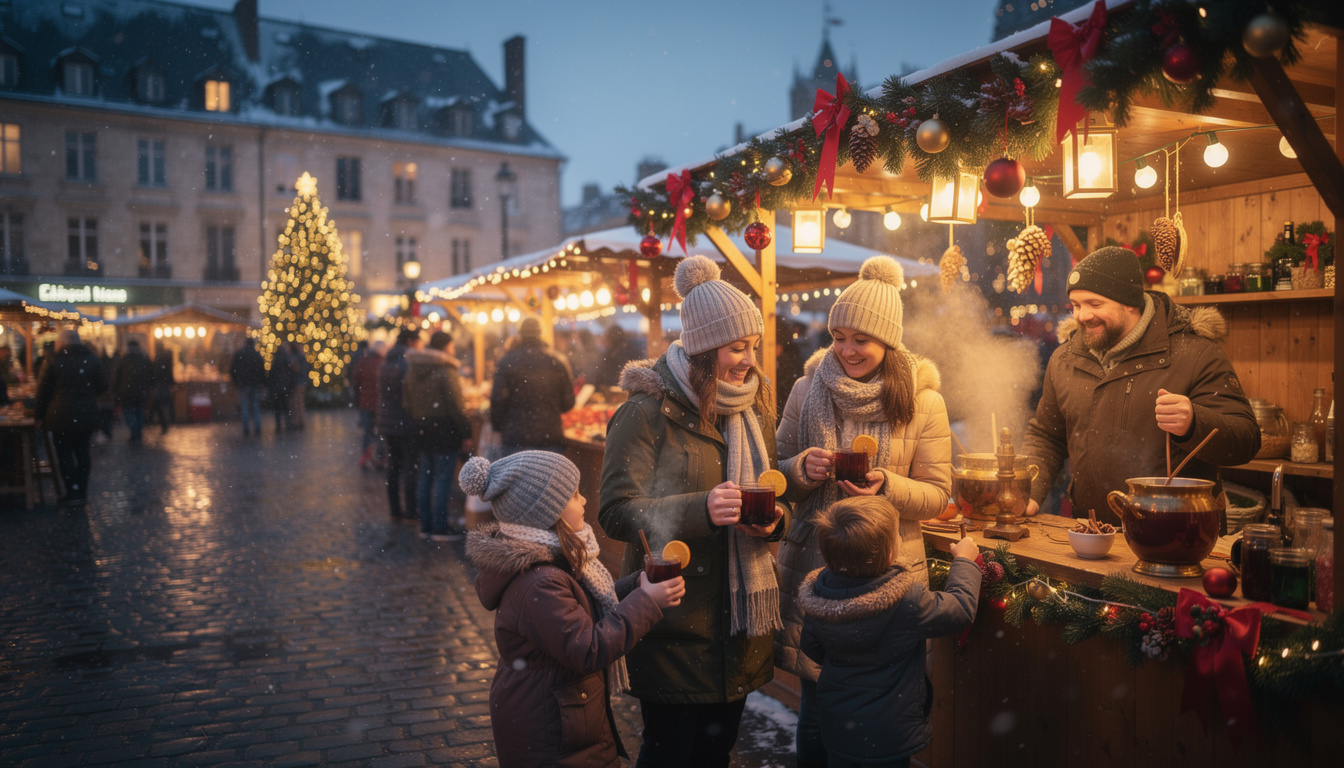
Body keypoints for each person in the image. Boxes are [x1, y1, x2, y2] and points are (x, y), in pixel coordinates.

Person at [599, 255, 789, 768]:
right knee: (669, 755)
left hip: (739, 626)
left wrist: (776, 520)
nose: (748, 359)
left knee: (715, 753)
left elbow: (776, 489)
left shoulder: (754, 405)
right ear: (703, 350)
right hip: (675, 625)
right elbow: (616, 513)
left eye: (752, 346)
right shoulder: (644, 412)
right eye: (735, 348)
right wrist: (699, 509)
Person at [773, 256, 952, 767]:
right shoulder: (807, 390)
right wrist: (801, 468)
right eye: (839, 337)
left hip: (889, 577)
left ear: (888, 342)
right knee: (814, 709)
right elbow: (775, 476)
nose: (848, 350)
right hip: (818, 571)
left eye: (862, 340)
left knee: (885, 710)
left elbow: (938, 493)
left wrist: (887, 487)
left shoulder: (923, 402)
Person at [463, 450, 684, 768]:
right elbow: (588, 649)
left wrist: (637, 586)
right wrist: (646, 602)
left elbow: (584, 604)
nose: (583, 501)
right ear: (546, 513)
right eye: (574, 495)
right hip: (551, 729)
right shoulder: (540, 581)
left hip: (557, 713)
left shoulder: (548, 560)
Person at [1021, 246, 1260, 524]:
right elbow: (1046, 436)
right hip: (1092, 532)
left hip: (1176, 536)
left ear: (1130, 302)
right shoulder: (1065, 358)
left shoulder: (1195, 354)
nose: (1082, 316)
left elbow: (1246, 439)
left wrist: (1195, 423)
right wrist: (1029, 490)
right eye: (1076, 305)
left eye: (1095, 304)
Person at [799, 496, 981, 768]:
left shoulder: (820, 596)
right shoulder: (907, 602)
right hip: (889, 732)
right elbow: (961, 608)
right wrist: (965, 561)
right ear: (889, 553)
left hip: (839, 726)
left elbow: (812, 647)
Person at [405, 330, 472, 540]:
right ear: (445, 347)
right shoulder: (446, 370)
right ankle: (440, 527)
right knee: (443, 479)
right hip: (444, 429)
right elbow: (456, 407)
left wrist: (420, 418)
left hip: (422, 428)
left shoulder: (413, 370)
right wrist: (466, 432)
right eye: (451, 345)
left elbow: (406, 402)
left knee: (426, 476)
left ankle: (426, 525)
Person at [35, 329, 108, 505]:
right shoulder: (91, 359)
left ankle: (71, 491)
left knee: (64, 454)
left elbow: (43, 391)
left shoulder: (53, 360)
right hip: (85, 415)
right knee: (83, 453)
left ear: (60, 343)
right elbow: (103, 386)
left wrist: (39, 415)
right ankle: (81, 491)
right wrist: (87, 395)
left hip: (60, 416)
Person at [489, 316, 575, 455]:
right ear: (542, 334)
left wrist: (497, 427)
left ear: (520, 334)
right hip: (550, 437)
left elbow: (497, 399)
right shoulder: (557, 360)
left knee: (517, 477)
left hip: (515, 438)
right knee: (548, 477)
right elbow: (569, 402)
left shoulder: (507, 361)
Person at [377, 328, 422, 522]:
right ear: (411, 342)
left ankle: (395, 511)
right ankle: (411, 512)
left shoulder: (387, 362)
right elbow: (412, 396)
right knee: (411, 467)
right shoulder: (408, 364)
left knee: (394, 466)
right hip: (405, 422)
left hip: (388, 422)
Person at [351, 340, 385, 468]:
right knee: (380, 432)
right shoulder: (382, 363)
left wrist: (358, 397)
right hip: (379, 404)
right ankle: (380, 458)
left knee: (367, 432)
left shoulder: (362, 362)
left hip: (365, 403)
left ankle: (365, 457)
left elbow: (355, 380)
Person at [111, 339, 154, 443]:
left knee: (129, 413)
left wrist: (115, 389)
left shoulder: (123, 360)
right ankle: (137, 432)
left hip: (126, 392)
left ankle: (135, 431)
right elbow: (151, 376)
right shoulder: (144, 359)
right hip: (141, 392)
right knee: (139, 412)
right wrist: (149, 387)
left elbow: (116, 377)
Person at [229, 338, 267, 437]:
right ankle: (257, 427)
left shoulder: (239, 354)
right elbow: (262, 371)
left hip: (243, 384)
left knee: (245, 406)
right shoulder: (257, 355)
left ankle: (246, 428)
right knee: (255, 407)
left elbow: (233, 369)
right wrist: (262, 383)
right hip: (255, 385)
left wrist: (237, 381)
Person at [267, 343, 295, 432]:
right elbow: (291, 373)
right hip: (285, 387)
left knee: (277, 408)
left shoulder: (275, 361)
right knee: (287, 407)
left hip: (276, 388)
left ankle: (278, 425)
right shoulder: (287, 359)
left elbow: (271, 375)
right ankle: (288, 424)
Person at [148, 347, 175, 434]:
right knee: (165, 402)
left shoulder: (156, 359)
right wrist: (172, 382)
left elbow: (153, 373)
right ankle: (169, 420)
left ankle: (153, 420)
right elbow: (169, 373)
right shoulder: (167, 359)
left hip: (159, 384)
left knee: (158, 403)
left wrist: (152, 383)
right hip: (164, 384)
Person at [287, 341, 310, 430]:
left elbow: (296, 368)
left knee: (297, 403)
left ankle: (298, 421)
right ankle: (300, 420)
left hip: (297, 383)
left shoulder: (296, 357)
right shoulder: (302, 356)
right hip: (301, 382)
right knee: (300, 403)